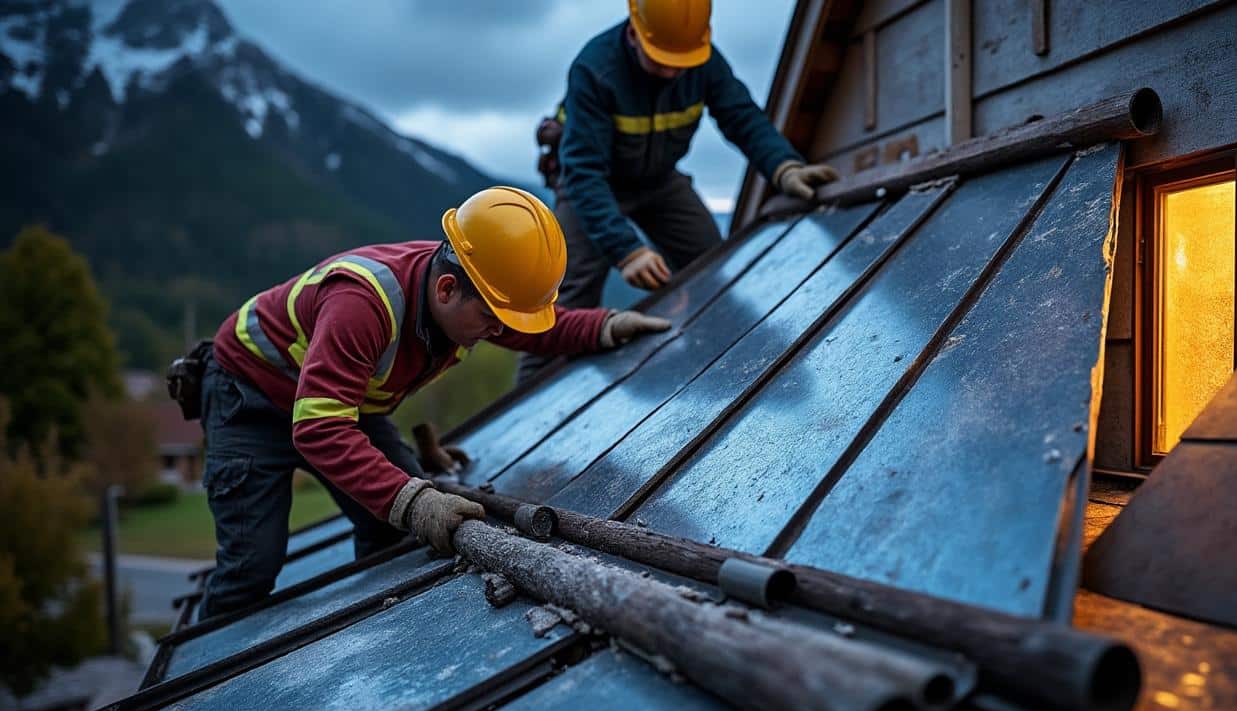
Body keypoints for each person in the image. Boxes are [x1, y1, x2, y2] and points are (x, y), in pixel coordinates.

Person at [191, 187, 670, 618]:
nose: (499, 333)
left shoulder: (466, 289)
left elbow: (534, 330)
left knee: (393, 531)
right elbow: (319, 428)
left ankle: (370, 632)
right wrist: (413, 500)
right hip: (250, 399)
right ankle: (202, 675)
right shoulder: (362, 304)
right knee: (252, 566)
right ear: (446, 289)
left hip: (339, 405)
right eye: (493, 320)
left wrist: (604, 327)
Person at [518, 0, 838, 381]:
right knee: (567, 298)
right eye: (661, 60)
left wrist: (784, 167)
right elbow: (583, 170)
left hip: (659, 182)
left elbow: (741, 116)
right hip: (592, 185)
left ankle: (728, 370)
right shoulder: (595, 69)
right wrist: (627, 250)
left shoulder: (704, 60)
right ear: (635, 33)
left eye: (681, 62)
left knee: (713, 266)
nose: (671, 71)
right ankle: (532, 398)